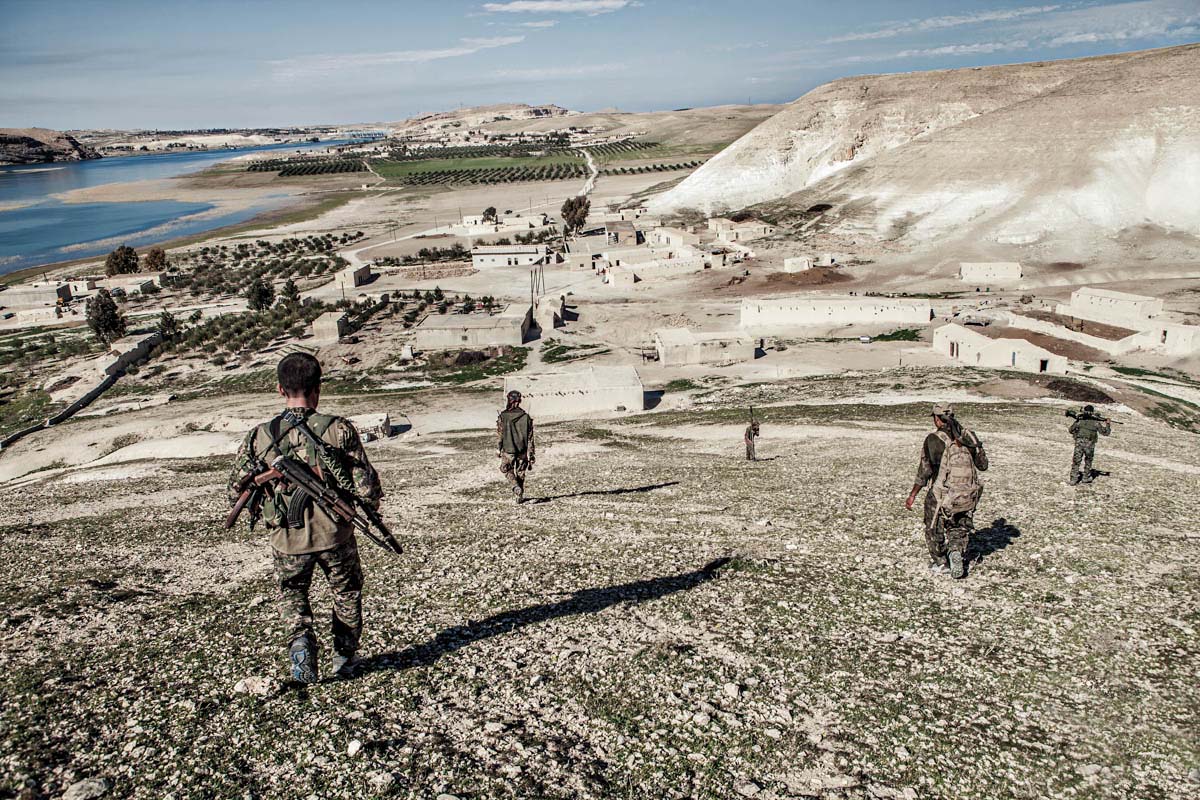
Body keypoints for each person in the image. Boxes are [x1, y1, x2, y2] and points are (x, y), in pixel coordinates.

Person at [226, 353, 382, 684]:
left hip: (287, 539)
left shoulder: (259, 436)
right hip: (334, 535)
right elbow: (366, 485)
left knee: (293, 592)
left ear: (281, 390)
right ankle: (344, 656)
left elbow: (234, 489)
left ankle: (301, 647)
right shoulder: (338, 430)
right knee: (347, 590)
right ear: (317, 388)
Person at [905, 404, 988, 579]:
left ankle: (941, 562)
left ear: (936, 419)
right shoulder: (968, 437)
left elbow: (925, 471)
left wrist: (913, 494)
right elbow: (983, 465)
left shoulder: (933, 440)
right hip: (967, 494)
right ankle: (956, 551)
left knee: (933, 527)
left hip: (942, 494)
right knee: (958, 526)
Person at [497, 390, 535, 504]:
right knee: (521, 472)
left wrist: (498, 449)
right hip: (522, 450)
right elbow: (530, 438)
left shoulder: (503, 416)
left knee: (505, 468)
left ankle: (515, 486)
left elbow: (500, 435)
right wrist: (531, 454)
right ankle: (519, 495)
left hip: (508, 450)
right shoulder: (526, 417)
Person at [1069, 405, 1111, 485]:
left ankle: (1073, 479)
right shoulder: (1096, 423)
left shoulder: (1080, 421)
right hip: (1090, 445)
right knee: (1088, 461)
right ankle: (1085, 477)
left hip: (1079, 444)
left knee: (1076, 461)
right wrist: (1108, 424)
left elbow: (1071, 430)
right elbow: (1106, 433)